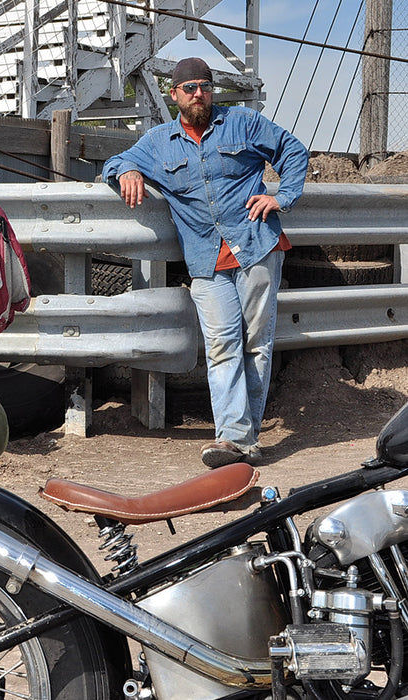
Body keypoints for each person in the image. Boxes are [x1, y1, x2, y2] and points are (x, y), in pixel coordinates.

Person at [102, 57, 309, 468]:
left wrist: (280, 197)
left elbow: (292, 150)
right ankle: (235, 439)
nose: (200, 94)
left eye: (206, 86)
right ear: (174, 94)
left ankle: (241, 440)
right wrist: (127, 171)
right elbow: (113, 163)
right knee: (221, 347)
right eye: (191, 87)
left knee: (256, 345)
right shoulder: (158, 142)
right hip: (205, 261)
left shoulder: (243, 122)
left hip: (256, 247)